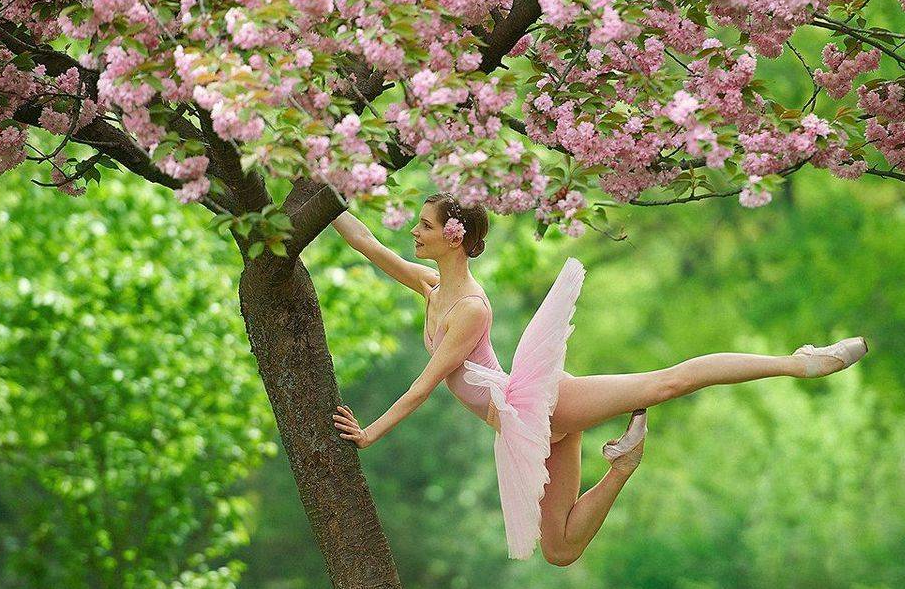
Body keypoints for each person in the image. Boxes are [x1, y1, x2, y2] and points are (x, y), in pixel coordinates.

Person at [330, 194, 868, 566]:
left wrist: (372, 432)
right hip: (530, 431)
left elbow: (425, 385)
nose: (414, 232)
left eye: (424, 225)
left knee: (666, 383)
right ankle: (623, 466)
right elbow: (370, 246)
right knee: (560, 550)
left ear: (454, 237)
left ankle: (799, 363)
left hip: (540, 406)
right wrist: (317, 186)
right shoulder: (431, 286)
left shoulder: (469, 308)